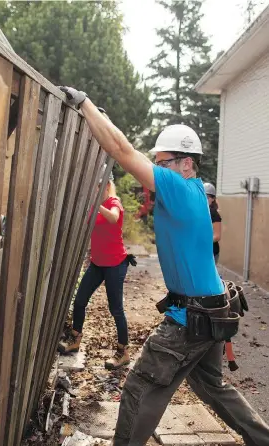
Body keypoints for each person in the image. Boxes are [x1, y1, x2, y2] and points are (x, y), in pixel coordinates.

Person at [59, 86, 269, 446]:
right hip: (214, 308)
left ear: (186, 163)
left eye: (163, 161)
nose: (156, 168)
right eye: (156, 162)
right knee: (212, 386)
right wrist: (102, 120)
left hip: (194, 316)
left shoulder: (179, 187)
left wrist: (84, 103)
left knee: (139, 387)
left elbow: (123, 150)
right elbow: (126, 147)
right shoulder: (197, 191)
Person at [58, 170, 131, 370]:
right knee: (80, 300)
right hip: (98, 263)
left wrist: (96, 204)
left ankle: (122, 351)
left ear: (107, 186)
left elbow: (113, 219)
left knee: (116, 309)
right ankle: (75, 339)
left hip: (116, 263)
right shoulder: (94, 207)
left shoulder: (113, 203)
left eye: (99, 186)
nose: (96, 190)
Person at [204, 183, 222, 264]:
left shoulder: (213, 213)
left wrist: (202, 241)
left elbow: (217, 236)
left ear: (213, 199)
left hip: (210, 252)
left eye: (207, 197)